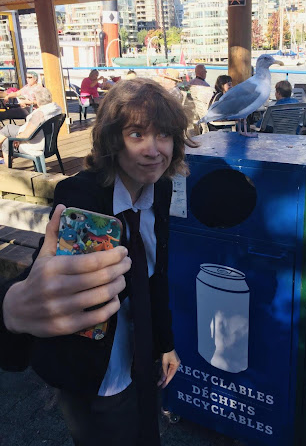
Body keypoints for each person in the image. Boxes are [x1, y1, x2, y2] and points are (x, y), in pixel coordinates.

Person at [0, 78, 197, 445]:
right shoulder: (81, 196)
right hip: (94, 366)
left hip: (142, 355)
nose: (154, 150)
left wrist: (166, 344)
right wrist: (13, 307)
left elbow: (156, 275)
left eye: (165, 135)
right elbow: (50, 278)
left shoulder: (162, 189)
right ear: (111, 141)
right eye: (136, 134)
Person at [0, 87, 61, 165]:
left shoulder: (40, 114)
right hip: (48, 143)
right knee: (7, 130)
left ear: (37, 99)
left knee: (6, 141)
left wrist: (17, 139)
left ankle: (8, 170)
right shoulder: (55, 109)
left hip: (35, 145)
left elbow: (26, 135)